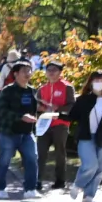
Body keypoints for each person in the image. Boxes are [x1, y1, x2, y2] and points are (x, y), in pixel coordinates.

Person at [0, 60, 44, 198]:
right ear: (16, 74)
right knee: (4, 160)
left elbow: (35, 109)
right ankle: (0, 188)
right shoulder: (7, 91)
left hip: (27, 133)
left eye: (29, 71)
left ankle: (30, 189)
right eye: (24, 71)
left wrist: (43, 111)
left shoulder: (32, 91)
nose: (27, 74)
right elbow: (2, 110)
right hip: (9, 133)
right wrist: (21, 117)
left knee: (31, 158)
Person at [70, 68, 102, 202]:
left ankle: (89, 194)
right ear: (90, 82)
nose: (100, 83)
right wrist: (54, 115)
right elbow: (72, 116)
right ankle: (78, 184)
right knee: (91, 164)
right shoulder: (83, 99)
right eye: (96, 80)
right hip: (86, 136)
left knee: (100, 168)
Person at [39, 61, 74, 192]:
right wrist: (40, 107)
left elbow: (72, 105)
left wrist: (58, 109)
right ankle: (37, 180)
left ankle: (60, 180)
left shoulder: (67, 87)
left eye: (54, 70)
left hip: (60, 124)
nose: (51, 72)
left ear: (60, 72)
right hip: (44, 124)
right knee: (41, 152)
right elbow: (36, 106)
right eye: (48, 70)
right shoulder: (42, 88)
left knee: (60, 152)